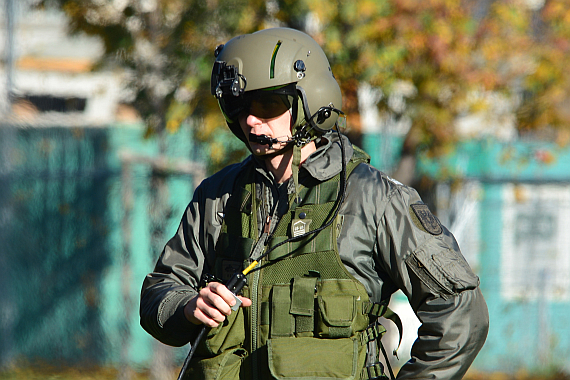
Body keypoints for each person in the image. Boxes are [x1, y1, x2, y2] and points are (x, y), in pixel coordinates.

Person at [140, 27, 489, 380]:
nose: (249, 120)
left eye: (267, 104)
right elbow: (159, 290)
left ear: (311, 102)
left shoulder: (372, 198)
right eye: (238, 105)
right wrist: (187, 306)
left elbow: (460, 313)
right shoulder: (218, 196)